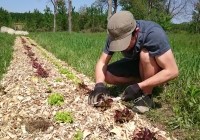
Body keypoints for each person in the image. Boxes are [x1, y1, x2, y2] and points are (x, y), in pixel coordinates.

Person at [88, 11, 179, 113]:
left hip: (153, 63)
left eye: (124, 43)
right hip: (135, 63)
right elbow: (102, 62)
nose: (122, 47)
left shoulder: (153, 34)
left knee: (145, 55)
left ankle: (146, 96)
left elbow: (173, 71)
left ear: (136, 31)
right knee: (107, 75)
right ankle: (145, 81)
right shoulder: (115, 34)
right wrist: (99, 84)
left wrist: (140, 86)